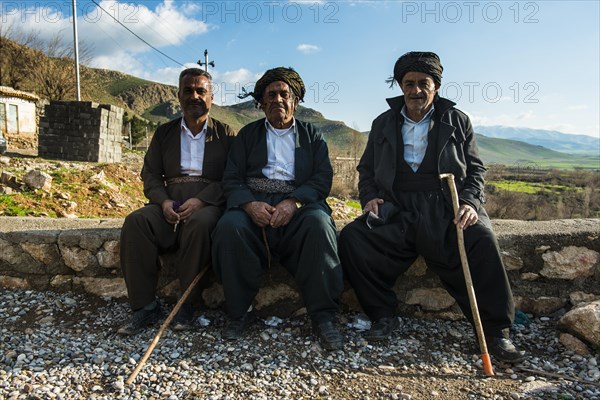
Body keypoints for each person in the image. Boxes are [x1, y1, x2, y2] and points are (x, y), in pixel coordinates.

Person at [338, 52, 526, 362]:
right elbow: (366, 171)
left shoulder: (457, 120)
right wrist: (369, 198)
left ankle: (496, 333)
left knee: (482, 239)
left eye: (423, 83)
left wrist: (470, 203)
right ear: (401, 86)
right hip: (397, 207)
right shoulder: (383, 123)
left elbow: (476, 170)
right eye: (409, 84)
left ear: (435, 86)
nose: (415, 91)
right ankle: (383, 314)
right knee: (353, 238)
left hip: (445, 204)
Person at [211, 67, 344, 350]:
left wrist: (294, 202)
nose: (277, 100)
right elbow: (231, 178)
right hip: (254, 201)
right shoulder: (247, 135)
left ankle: (323, 317)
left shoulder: (312, 136)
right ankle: (238, 313)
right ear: (261, 103)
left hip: (298, 203)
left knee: (319, 226)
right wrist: (248, 204)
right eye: (270, 95)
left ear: (295, 101)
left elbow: (322, 178)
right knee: (229, 227)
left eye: (284, 94)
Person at [118, 68, 236, 335]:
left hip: (207, 205)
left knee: (200, 223)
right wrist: (162, 202)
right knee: (136, 222)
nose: (194, 95)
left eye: (200, 91)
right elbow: (150, 174)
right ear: (179, 95)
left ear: (211, 97)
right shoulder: (164, 133)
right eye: (188, 91)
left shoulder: (227, 134)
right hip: (169, 202)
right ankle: (144, 307)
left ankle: (187, 304)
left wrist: (202, 200)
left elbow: (233, 177)